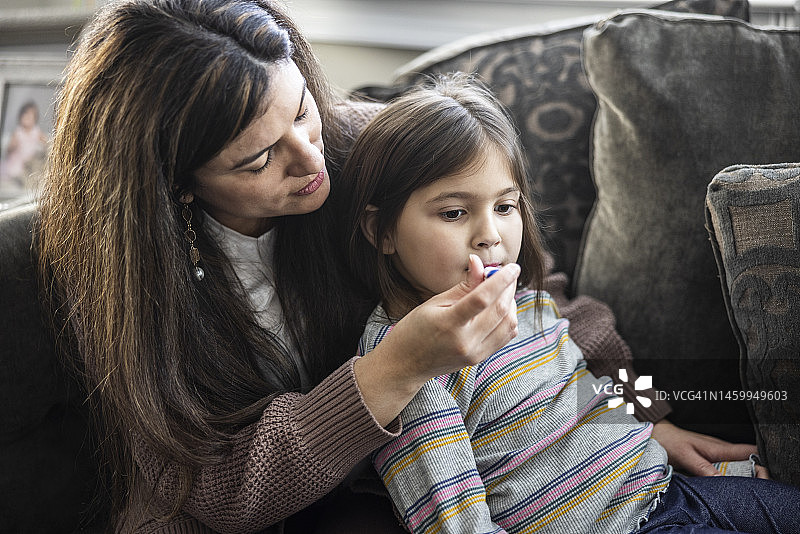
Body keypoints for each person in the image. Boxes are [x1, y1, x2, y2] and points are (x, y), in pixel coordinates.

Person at [32, 0, 765, 531]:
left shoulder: (368, 151)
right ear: (175, 184)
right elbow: (211, 489)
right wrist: (393, 371)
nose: (310, 159)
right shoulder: (136, 289)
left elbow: (545, 307)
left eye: (300, 112)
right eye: (259, 158)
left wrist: (646, 418)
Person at [334, 74, 799, 534]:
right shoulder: (410, 365)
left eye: (505, 206)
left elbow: (586, 383)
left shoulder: (527, 300)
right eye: (454, 212)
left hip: (669, 489)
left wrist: (654, 424)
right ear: (383, 232)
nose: (490, 235)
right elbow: (456, 524)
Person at [0, 100, 48, 196]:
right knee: (14, 172)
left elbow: (46, 142)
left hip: (28, 162)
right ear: (20, 117)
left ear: (35, 119)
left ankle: (23, 184)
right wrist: (13, 146)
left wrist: (46, 146)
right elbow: (9, 149)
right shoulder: (18, 132)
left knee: (30, 173)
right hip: (17, 159)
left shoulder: (36, 131)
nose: (27, 119)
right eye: (25, 116)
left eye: (31, 117)